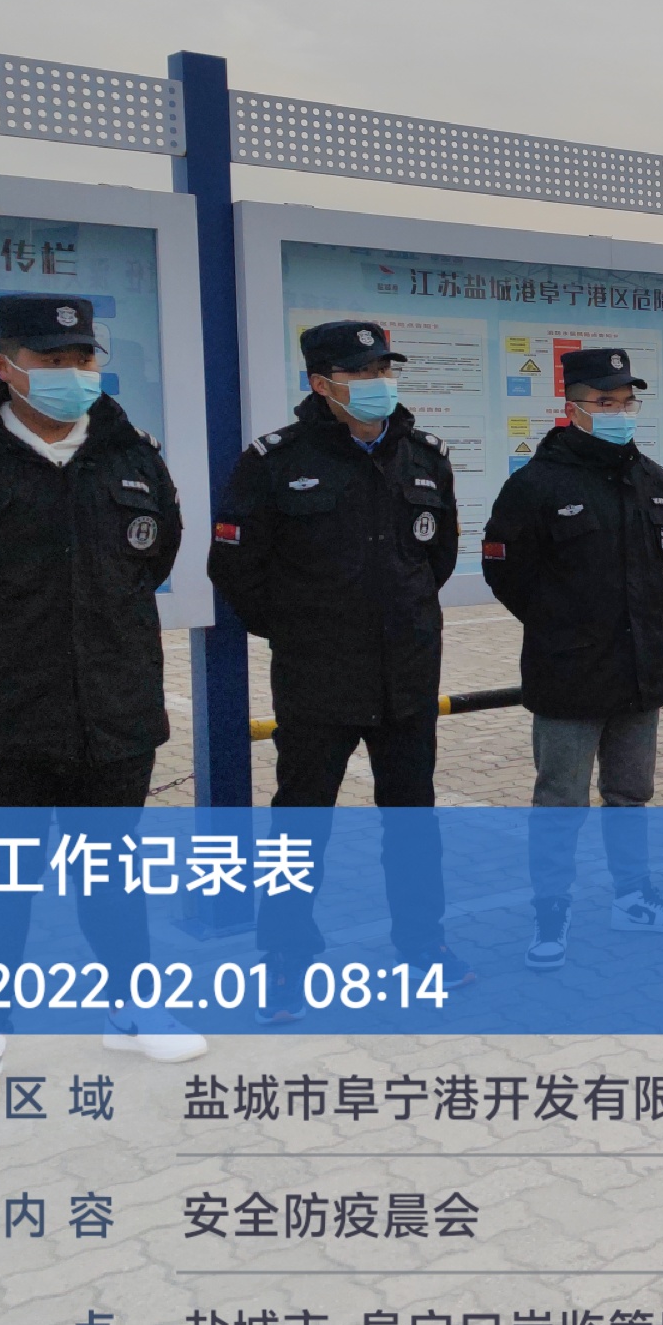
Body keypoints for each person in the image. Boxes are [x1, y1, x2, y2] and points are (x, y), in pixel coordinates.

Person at [0, 291, 207, 1111]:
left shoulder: (133, 456)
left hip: (113, 711)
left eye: (82, 357)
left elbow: (155, 555)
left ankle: (131, 1007)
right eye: (51, 359)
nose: (71, 372)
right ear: (6, 366)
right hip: (0, 716)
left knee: (111, 874)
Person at [208, 319, 468, 1016]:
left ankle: (423, 946)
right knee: (300, 829)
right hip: (317, 678)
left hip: (406, 675)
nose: (379, 382)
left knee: (412, 824)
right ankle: (286, 959)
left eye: (385, 369)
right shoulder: (273, 461)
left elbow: (436, 558)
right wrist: (302, 629)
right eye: (362, 372)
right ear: (322, 384)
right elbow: (236, 568)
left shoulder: (424, 456)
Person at [482, 346, 663, 964]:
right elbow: (506, 573)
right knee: (560, 802)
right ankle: (551, 915)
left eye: (627, 401)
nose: (619, 412)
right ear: (573, 407)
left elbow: (651, 570)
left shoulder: (652, 479)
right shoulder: (535, 485)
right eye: (605, 402)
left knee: (631, 795)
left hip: (639, 670)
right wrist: (560, 628)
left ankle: (633, 898)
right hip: (569, 674)